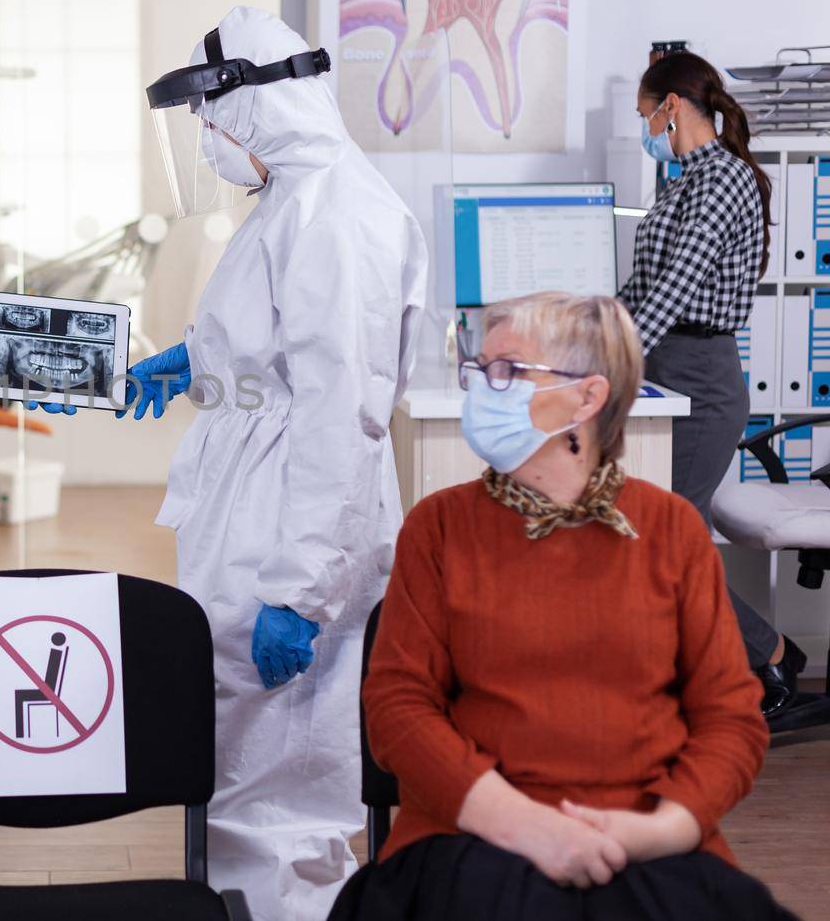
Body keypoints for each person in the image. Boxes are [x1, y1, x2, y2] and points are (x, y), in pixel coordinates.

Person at [331, 291, 793, 920]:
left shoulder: (672, 532)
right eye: (478, 369)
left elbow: (731, 722)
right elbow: (398, 709)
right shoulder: (438, 527)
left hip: (647, 839)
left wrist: (655, 832)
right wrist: (524, 824)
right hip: (474, 839)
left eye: (505, 372)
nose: (480, 389)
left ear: (586, 397)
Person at [132, 6, 427, 920]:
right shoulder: (297, 198)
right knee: (244, 785)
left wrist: (300, 590)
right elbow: (282, 344)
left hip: (289, 542)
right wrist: (201, 355)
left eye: (210, 117)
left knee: (287, 802)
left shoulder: (338, 213)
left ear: (258, 106)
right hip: (256, 519)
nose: (207, 140)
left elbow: (343, 417)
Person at [618, 50, 805, 720]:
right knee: (653, 533)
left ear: (672, 106)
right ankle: (704, 668)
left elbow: (674, 292)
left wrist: (610, 353)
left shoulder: (723, 180)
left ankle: (771, 653)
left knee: (663, 538)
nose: (645, 130)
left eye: (646, 115)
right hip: (664, 375)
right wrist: (580, 329)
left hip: (701, 380)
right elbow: (639, 289)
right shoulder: (679, 183)